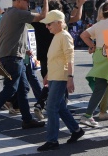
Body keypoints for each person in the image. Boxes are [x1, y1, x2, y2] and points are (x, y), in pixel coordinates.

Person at [0, 0, 49, 134]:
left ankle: (27, 120)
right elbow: (43, 16)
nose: (29, 4)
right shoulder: (16, 13)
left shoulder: (9, 14)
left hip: (14, 56)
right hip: (12, 57)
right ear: (17, 1)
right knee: (11, 88)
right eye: (26, 1)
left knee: (23, 89)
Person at [36, 10, 85, 151]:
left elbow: (70, 58)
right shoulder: (58, 35)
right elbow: (56, 59)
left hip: (60, 77)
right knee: (60, 107)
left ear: (59, 23)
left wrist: (70, 77)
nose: (47, 27)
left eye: (49, 24)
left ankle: (52, 140)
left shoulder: (64, 36)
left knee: (51, 107)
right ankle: (76, 130)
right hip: (55, 76)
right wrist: (48, 75)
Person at [78, 2, 108, 128]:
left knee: (99, 89)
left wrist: (92, 46)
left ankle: (88, 115)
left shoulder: (98, 24)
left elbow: (83, 35)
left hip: (100, 57)